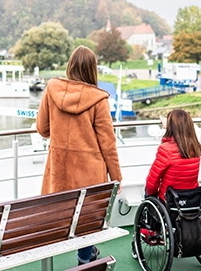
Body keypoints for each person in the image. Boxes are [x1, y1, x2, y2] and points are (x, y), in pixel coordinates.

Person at [36, 45, 122, 265]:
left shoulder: (51, 89)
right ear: (92, 69)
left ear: (70, 65)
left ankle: (76, 258)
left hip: (58, 172)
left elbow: (42, 129)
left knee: (62, 213)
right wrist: (116, 178)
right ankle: (84, 260)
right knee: (87, 217)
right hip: (89, 173)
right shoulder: (98, 99)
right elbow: (108, 144)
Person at [145, 109, 201, 201]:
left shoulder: (166, 149)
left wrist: (150, 194)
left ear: (170, 127)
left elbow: (152, 181)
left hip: (170, 200)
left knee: (148, 192)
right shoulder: (196, 147)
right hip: (191, 198)